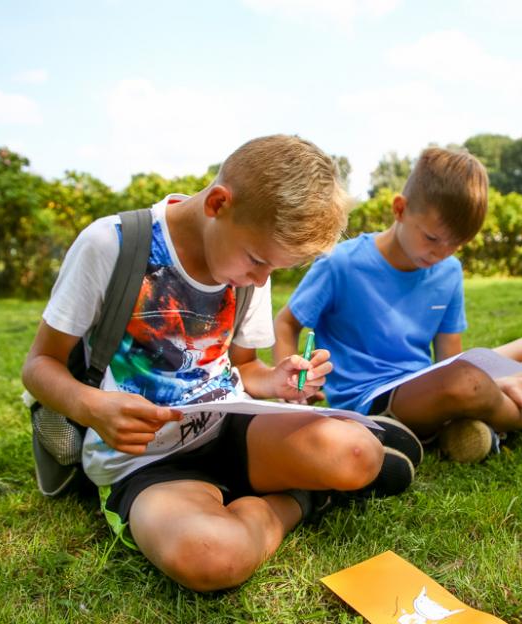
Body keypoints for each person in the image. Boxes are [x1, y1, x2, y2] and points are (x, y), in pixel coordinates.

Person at [21, 135, 410, 593]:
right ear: (219, 204)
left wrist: (276, 379)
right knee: (210, 558)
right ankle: (304, 498)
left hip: (232, 426)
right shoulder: (113, 244)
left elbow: (244, 367)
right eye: (258, 262)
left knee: (358, 454)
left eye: (274, 270)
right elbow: (39, 364)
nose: (262, 279)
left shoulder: (247, 265)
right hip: (147, 459)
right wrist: (93, 408)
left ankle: (310, 474)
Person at [274, 147, 522, 465]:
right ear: (400, 209)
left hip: (433, 383)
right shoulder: (342, 263)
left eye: (456, 245)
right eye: (433, 238)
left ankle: (476, 422)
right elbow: (287, 323)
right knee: (467, 382)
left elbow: (452, 359)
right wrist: (295, 388)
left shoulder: (448, 271)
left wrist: (486, 381)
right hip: (372, 403)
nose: (440, 253)